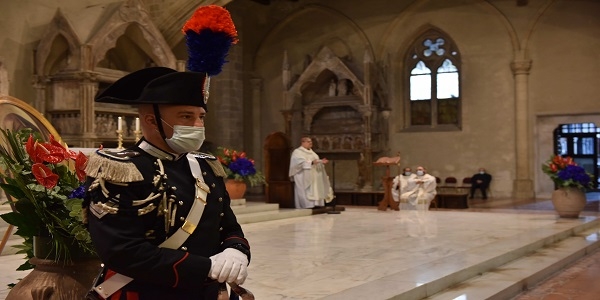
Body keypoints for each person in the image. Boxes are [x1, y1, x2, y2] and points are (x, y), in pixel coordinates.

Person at [83, 5, 251, 300]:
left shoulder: (205, 165)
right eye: (186, 117)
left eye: (201, 117)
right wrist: (205, 267)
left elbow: (228, 224)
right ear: (150, 121)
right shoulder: (120, 169)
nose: (198, 125)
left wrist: (235, 251)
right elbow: (123, 252)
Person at [289, 136, 333, 209]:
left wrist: (321, 161)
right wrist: (311, 162)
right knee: (306, 190)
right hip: (302, 175)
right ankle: (306, 205)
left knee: (315, 188)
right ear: (303, 142)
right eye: (308, 142)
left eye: (311, 142)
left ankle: (316, 204)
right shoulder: (297, 152)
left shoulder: (312, 152)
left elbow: (316, 160)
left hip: (314, 175)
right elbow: (298, 163)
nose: (311, 143)